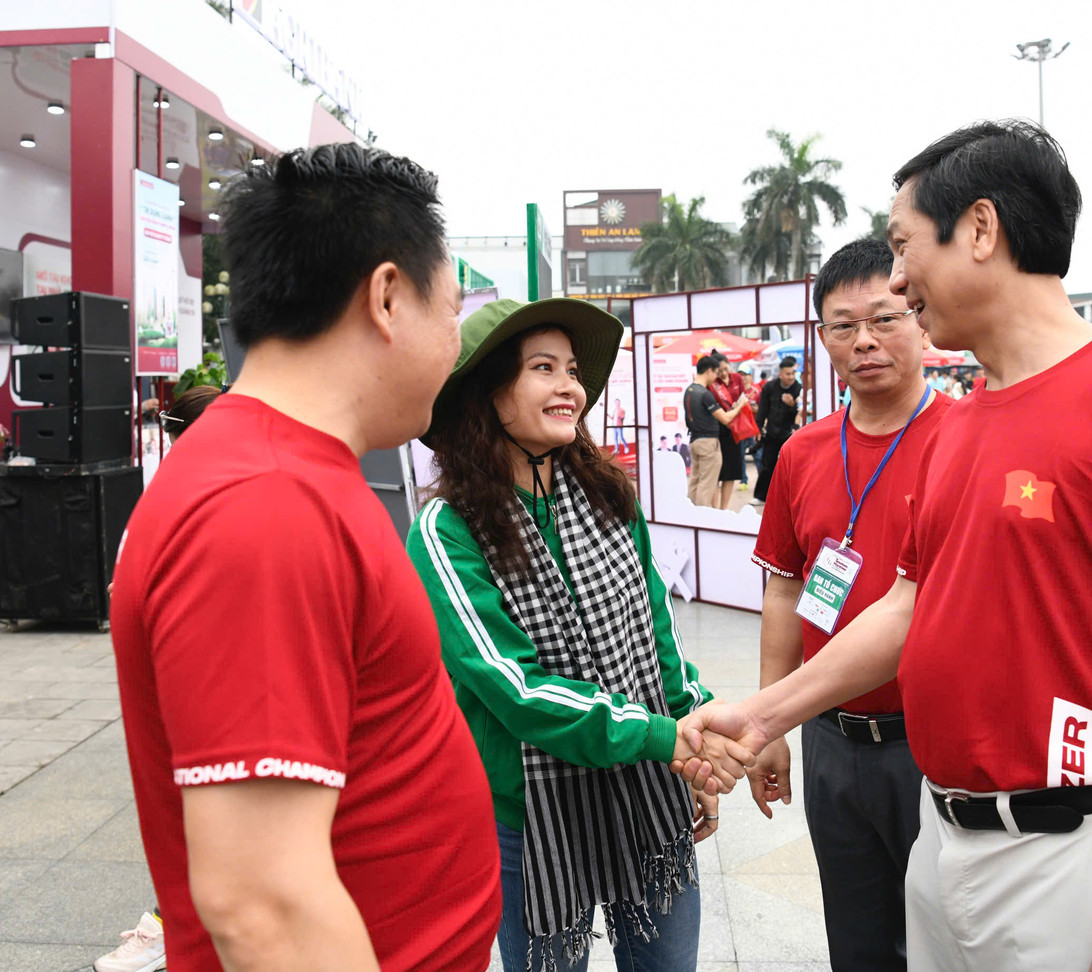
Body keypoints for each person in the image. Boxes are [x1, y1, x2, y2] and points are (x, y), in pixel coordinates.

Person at [679, 120, 1092, 972]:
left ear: (981, 230)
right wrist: (764, 714)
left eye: (905, 247)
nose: (902, 277)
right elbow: (909, 606)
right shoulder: (964, 424)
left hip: (1067, 854)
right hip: (945, 840)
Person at [109, 144, 502, 971]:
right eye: (452, 311)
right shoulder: (265, 504)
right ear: (389, 297)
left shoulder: (286, 475)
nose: (454, 345)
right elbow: (263, 904)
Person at [407, 298, 748, 972]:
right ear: (487, 392)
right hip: (529, 817)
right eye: (543, 368)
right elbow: (514, 687)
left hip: (646, 793)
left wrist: (696, 737)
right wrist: (666, 738)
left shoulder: (606, 495)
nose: (570, 386)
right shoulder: (447, 530)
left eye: (571, 370)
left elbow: (658, 638)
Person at [750, 238, 951, 971]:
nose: (864, 340)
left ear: (922, 321)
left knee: (944, 934)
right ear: (823, 338)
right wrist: (774, 720)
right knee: (858, 939)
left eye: (885, 318)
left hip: (935, 741)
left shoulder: (963, 439)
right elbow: (783, 586)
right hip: (832, 741)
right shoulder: (802, 453)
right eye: (842, 326)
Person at [94, 384, 222, 972]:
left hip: (212, 687)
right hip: (181, 681)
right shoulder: (172, 497)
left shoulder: (213, 493)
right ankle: (170, 924)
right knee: (187, 822)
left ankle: (172, 928)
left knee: (204, 822)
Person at [684, 356, 744, 506]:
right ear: (709, 371)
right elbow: (725, 418)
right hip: (708, 443)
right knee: (706, 484)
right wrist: (740, 406)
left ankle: (691, 514)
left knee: (695, 481)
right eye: (715, 372)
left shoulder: (689, 391)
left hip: (694, 441)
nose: (716, 376)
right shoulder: (705, 394)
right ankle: (702, 520)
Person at [752, 355, 802, 503]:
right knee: (767, 465)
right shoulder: (769, 387)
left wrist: (792, 404)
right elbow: (762, 410)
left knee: (790, 467)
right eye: (788, 373)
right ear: (780, 374)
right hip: (772, 433)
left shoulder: (798, 388)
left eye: (793, 373)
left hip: (790, 435)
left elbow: (801, 412)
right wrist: (758, 429)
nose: (791, 377)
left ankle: (788, 499)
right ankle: (760, 496)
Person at [711, 354, 754, 509]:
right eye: (719, 371)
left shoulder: (736, 378)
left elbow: (743, 400)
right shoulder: (713, 384)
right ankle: (715, 509)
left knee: (731, 472)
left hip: (735, 432)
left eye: (725, 369)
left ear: (729, 365)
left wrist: (741, 405)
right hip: (719, 430)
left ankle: (724, 508)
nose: (723, 373)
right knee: (717, 472)